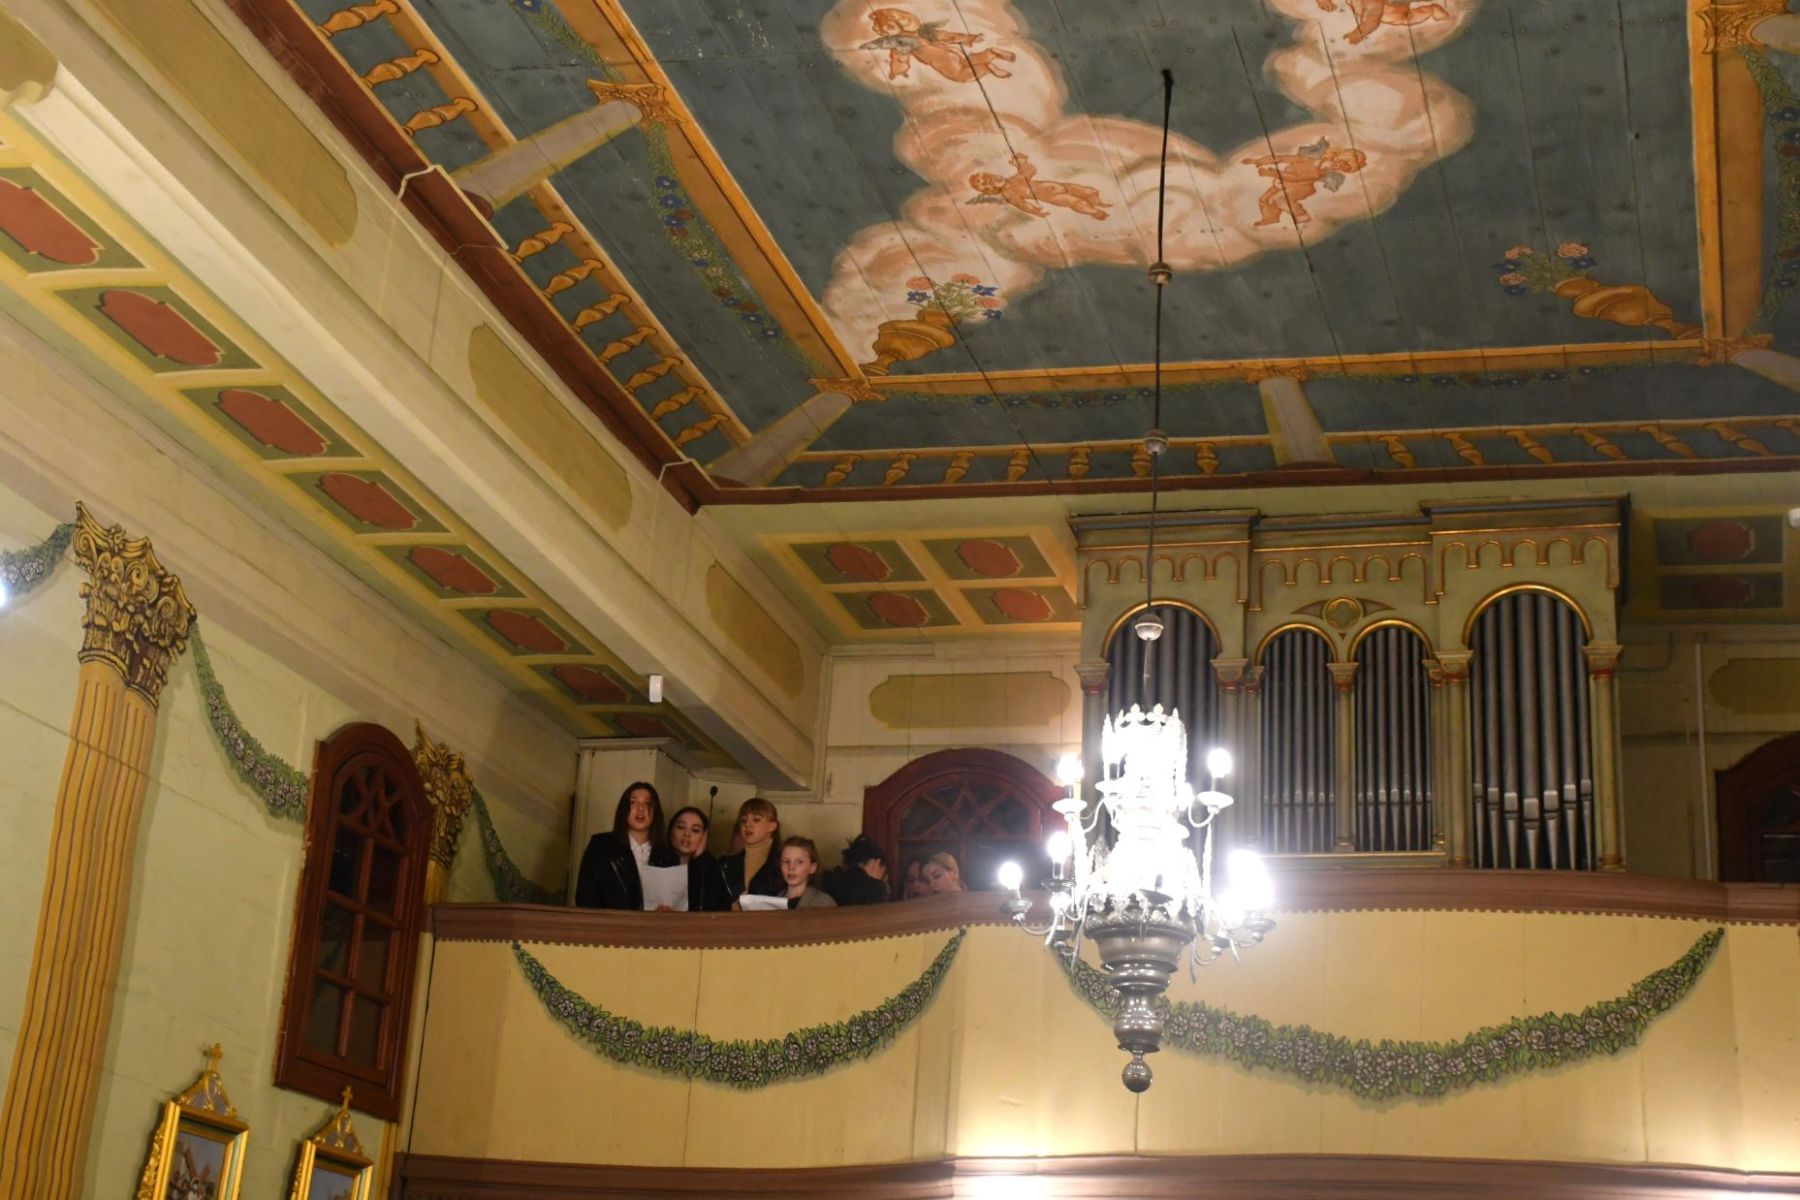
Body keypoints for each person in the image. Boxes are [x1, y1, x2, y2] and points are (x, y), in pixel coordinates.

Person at [575, 781, 674, 909]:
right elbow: (585, 897)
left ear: (656, 811)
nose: (641, 808)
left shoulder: (668, 855)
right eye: (633, 802)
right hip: (609, 921)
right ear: (623, 809)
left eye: (648, 803)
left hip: (652, 922)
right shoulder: (601, 846)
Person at [665, 805, 731, 913]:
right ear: (671, 832)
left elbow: (717, 909)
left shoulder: (710, 866)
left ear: (704, 837)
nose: (687, 834)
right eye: (681, 827)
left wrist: (700, 859)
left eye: (695, 830)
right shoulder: (657, 859)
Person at [720, 797, 785, 902]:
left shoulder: (784, 860)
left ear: (772, 826)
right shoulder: (725, 863)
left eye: (756, 819)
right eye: (743, 820)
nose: (747, 824)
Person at [820, 834, 889, 906]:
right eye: (882, 875)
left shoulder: (828, 881)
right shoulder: (875, 889)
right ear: (876, 863)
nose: (881, 879)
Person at [779, 837, 837, 909]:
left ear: (812, 867)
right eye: (786, 861)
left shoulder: (824, 902)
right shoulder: (773, 902)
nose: (791, 867)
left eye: (799, 862)